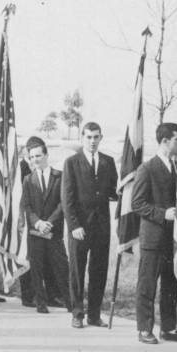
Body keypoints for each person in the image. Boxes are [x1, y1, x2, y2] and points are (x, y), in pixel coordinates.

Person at [132, 123, 177, 344]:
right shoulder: (147, 168)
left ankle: (168, 328)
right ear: (165, 141)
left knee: (170, 285)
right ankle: (144, 329)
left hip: (172, 239)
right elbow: (137, 203)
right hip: (153, 239)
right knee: (147, 285)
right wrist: (161, 213)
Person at [61, 122, 119, 329]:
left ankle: (94, 314)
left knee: (99, 270)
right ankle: (77, 313)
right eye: (89, 137)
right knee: (77, 271)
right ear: (82, 138)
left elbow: (112, 191)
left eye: (96, 137)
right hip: (80, 228)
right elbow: (67, 199)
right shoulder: (71, 163)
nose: (92, 141)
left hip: (101, 227)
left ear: (101, 138)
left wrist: (124, 189)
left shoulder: (108, 162)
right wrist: (74, 225)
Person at [20, 137, 70, 314]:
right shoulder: (28, 179)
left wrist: (50, 222)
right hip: (35, 232)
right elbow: (27, 205)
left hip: (54, 231)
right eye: (32, 157)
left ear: (46, 155)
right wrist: (38, 222)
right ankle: (41, 303)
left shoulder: (60, 176)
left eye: (38, 156)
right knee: (36, 268)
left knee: (61, 267)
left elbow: (63, 203)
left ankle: (70, 302)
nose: (35, 160)